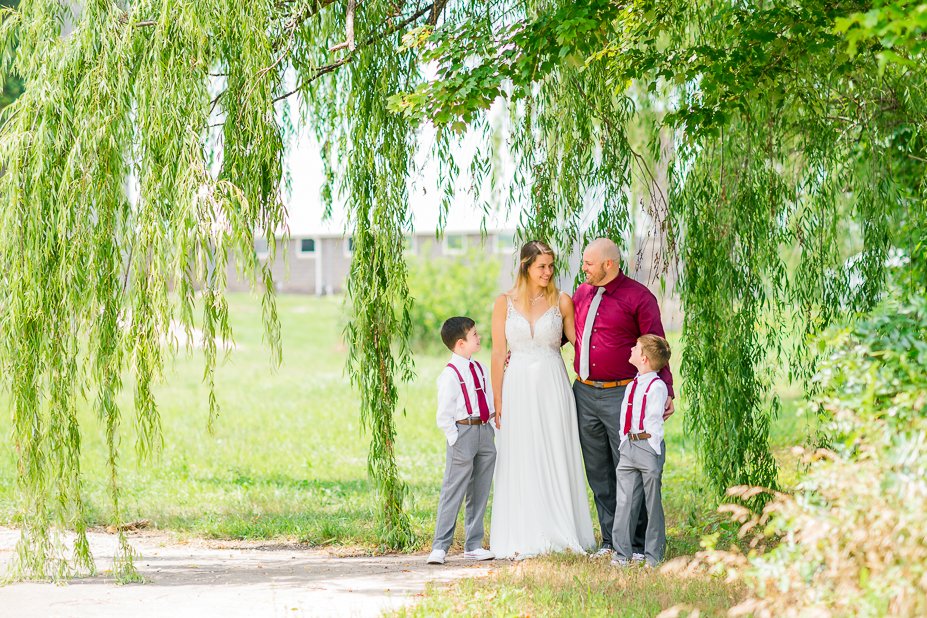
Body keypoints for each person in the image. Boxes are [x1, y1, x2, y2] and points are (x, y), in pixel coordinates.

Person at [489, 240, 595, 559]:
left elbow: (579, 343)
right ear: (526, 266)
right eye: (542, 266)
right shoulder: (503, 302)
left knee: (554, 449)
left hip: (552, 382)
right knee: (521, 452)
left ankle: (561, 527)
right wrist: (498, 399)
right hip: (517, 383)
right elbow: (496, 353)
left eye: (551, 266)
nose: (548, 272)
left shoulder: (562, 300)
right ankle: (523, 529)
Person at [572, 238, 675, 559]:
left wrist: (667, 388)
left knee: (630, 466)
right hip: (584, 392)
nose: (583, 268)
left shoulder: (638, 297)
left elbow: (657, 344)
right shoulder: (582, 293)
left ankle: (640, 544)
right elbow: (567, 333)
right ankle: (610, 540)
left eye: (589, 263)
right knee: (598, 470)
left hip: (623, 393)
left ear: (609, 265)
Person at [427, 317, 497, 565]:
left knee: (480, 491)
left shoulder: (480, 368)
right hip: (463, 432)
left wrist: (489, 430)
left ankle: (474, 544)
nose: (479, 338)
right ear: (460, 343)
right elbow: (444, 413)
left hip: (484, 431)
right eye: (474, 335)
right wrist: (454, 437)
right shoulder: (450, 374)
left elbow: (488, 399)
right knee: (453, 489)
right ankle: (440, 546)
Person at [611, 334, 671, 567]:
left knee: (651, 501)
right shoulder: (632, 384)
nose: (631, 349)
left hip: (648, 446)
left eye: (635, 347)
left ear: (644, 358)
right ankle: (621, 554)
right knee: (624, 501)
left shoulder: (657, 387)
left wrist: (653, 450)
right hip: (629, 445)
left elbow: (655, 421)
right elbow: (627, 415)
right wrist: (624, 441)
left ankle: (653, 555)